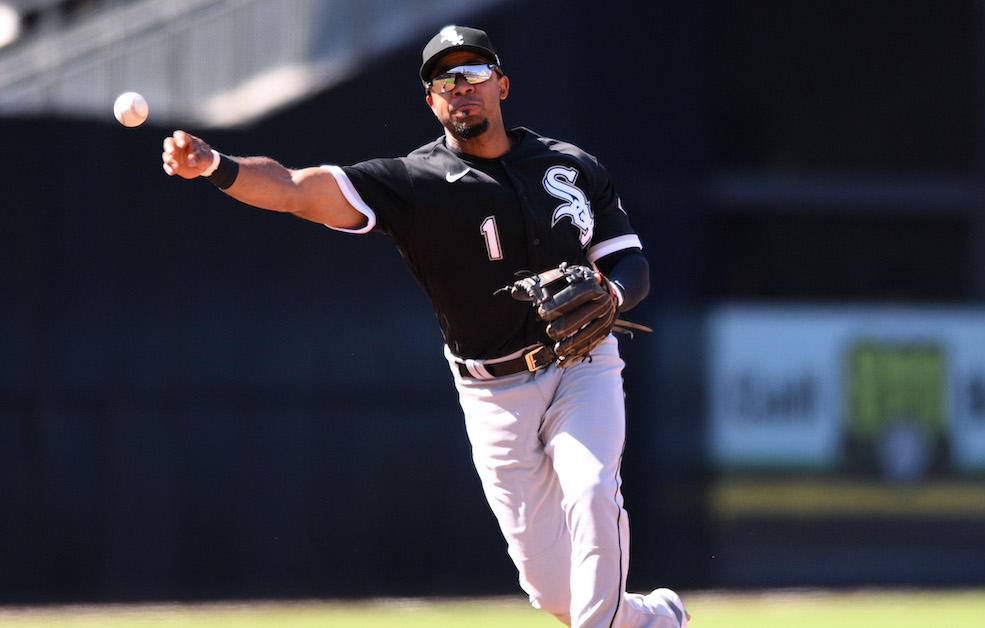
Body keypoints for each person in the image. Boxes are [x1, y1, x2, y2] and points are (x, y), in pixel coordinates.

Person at [161, 25, 687, 628]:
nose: (460, 88)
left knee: (592, 490)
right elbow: (293, 190)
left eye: (473, 73)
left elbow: (630, 261)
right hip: (493, 391)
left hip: (581, 364)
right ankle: (654, 620)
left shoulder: (570, 165)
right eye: (444, 79)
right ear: (431, 102)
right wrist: (215, 166)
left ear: (502, 85)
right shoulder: (415, 183)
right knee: (553, 593)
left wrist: (614, 294)